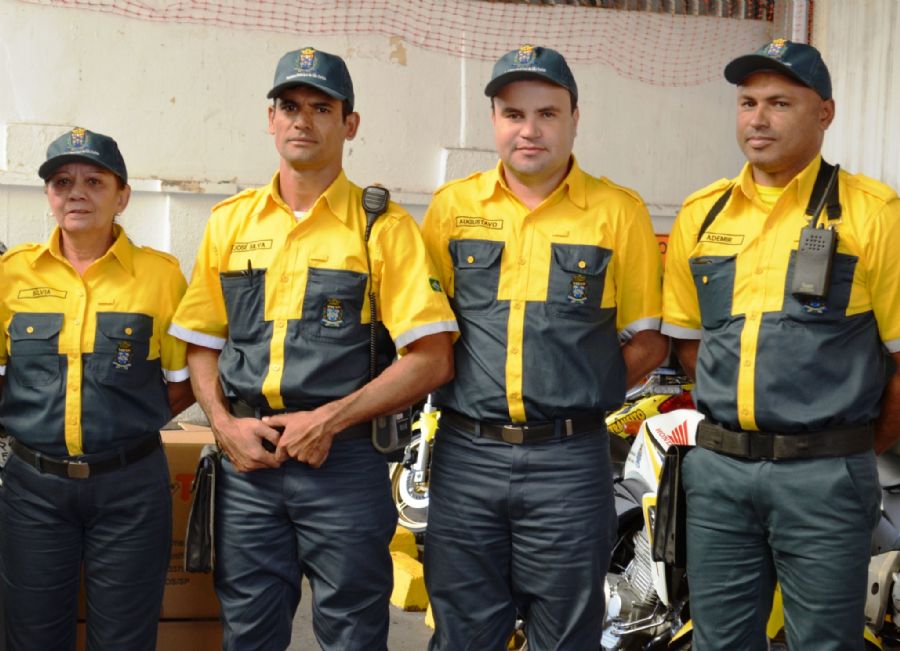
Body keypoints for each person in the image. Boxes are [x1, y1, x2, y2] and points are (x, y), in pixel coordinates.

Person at [168, 47, 457, 650]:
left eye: (321, 108)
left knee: (352, 634)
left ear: (350, 124)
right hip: (249, 465)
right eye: (290, 106)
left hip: (342, 465)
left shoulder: (382, 229)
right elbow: (201, 343)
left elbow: (432, 358)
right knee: (247, 633)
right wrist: (223, 426)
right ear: (270, 118)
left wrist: (328, 420)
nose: (303, 120)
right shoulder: (230, 223)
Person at [421, 44, 667, 650]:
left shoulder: (618, 213)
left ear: (575, 118)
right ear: (493, 121)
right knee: (463, 632)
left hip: (569, 463)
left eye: (547, 114)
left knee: (566, 633)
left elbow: (650, 341)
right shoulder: (452, 209)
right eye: (513, 114)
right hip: (466, 456)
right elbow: (427, 334)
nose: (528, 130)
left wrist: (583, 395)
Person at [662, 39, 900, 651]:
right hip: (718, 475)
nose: (758, 119)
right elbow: (691, 344)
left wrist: (851, 451)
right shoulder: (703, 214)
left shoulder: (873, 215)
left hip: (824, 477)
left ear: (825, 113)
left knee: (824, 642)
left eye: (779, 103)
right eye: (747, 103)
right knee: (718, 641)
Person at [0, 127, 194, 650]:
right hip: (33, 491)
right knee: (32, 636)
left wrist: (123, 430)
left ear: (122, 196)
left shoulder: (160, 277)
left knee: (124, 639)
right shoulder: (11, 275)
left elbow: (184, 383)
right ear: (48, 196)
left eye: (94, 181)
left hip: (130, 491)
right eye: (62, 182)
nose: (76, 193)